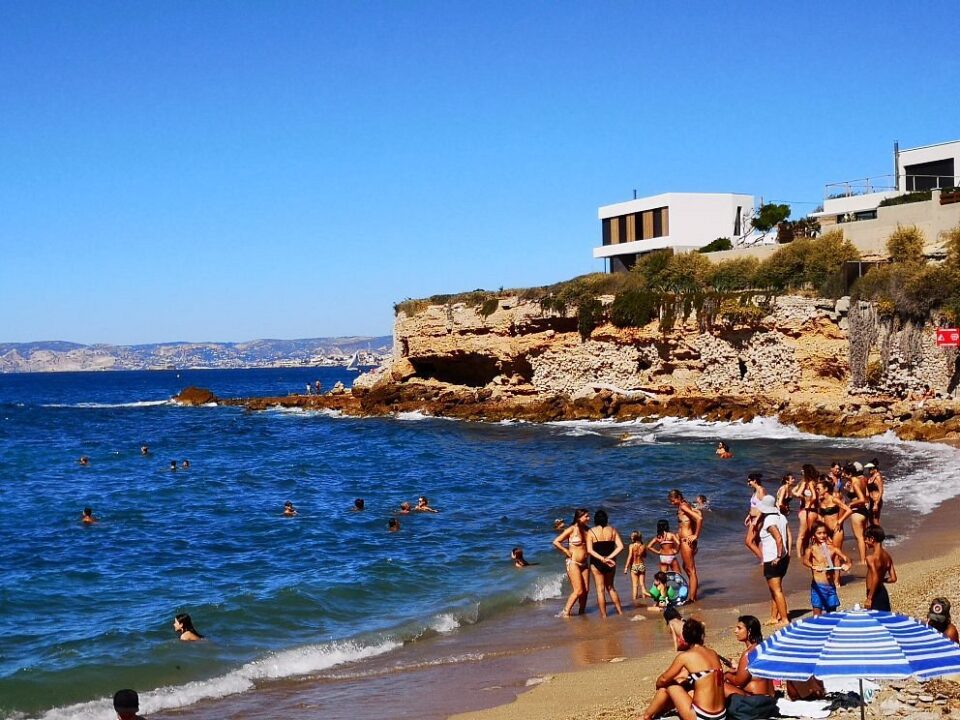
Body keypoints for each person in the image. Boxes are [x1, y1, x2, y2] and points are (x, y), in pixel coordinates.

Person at [640, 618, 727, 720]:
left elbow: (664, 679)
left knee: (669, 685)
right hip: (721, 715)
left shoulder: (686, 656)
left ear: (685, 638)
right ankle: (658, 713)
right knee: (684, 683)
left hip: (702, 716)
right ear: (702, 636)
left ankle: (646, 716)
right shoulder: (713, 653)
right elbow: (700, 676)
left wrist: (658, 685)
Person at [746, 495, 790, 627]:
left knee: (777, 590)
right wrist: (786, 553)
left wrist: (777, 555)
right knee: (774, 590)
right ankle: (774, 616)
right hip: (784, 557)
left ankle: (784, 619)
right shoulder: (781, 517)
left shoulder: (769, 521)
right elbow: (788, 535)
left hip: (773, 559)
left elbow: (778, 538)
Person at [802, 521, 851, 616]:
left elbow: (846, 558)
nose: (822, 536)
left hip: (830, 586)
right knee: (817, 615)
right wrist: (813, 566)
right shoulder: (811, 549)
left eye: (824, 533)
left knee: (832, 615)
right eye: (819, 533)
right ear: (813, 535)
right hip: (818, 586)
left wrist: (847, 564)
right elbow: (805, 561)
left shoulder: (833, 548)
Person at [552, 508, 591, 617]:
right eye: (586, 516)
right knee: (579, 590)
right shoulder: (571, 529)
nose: (589, 518)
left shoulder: (588, 530)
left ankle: (582, 613)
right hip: (573, 562)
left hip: (584, 564)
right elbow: (556, 542)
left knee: (586, 591)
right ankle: (565, 612)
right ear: (579, 517)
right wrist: (565, 550)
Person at [724, 615, 774, 697]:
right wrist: (738, 668)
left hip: (756, 701)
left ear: (749, 631)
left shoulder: (748, 654)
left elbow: (738, 682)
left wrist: (726, 675)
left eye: (739, 628)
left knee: (722, 686)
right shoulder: (763, 648)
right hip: (771, 698)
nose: (735, 631)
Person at [586, 508, 624, 617]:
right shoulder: (612, 530)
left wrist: (602, 559)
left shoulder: (591, 531)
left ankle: (604, 615)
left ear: (595, 520)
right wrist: (609, 557)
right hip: (611, 562)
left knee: (600, 590)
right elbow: (620, 547)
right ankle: (620, 612)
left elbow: (589, 550)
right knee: (611, 587)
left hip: (596, 562)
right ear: (606, 519)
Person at [670, 489, 703, 602]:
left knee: (691, 570)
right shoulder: (684, 506)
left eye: (673, 500)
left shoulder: (683, 506)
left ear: (678, 497)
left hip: (687, 541)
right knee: (686, 567)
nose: (672, 503)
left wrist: (695, 536)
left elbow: (699, 518)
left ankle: (692, 598)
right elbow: (696, 515)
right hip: (685, 540)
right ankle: (693, 593)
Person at [864, 525, 896, 611]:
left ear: (872, 539)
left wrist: (869, 598)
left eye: (866, 538)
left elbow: (875, 577)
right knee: (885, 619)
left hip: (873, 593)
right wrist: (882, 580)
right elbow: (893, 578)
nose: (865, 541)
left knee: (874, 620)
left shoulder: (871, 558)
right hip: (882, 592)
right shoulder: (887, 556)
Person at [845, 463, 872, 564]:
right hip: (864, 511)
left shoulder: (855, 483)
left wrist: (850, 503)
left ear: (849, 473)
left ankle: (863, 560)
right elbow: (866, 495)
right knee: (863, 537)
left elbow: (861, 499)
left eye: (845, 473)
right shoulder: (862, 480)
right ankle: (866, 557)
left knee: (859, 537)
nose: (843, 475)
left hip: (857, 512)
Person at [792, 464, 820, 559]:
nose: (801, 472)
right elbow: (795, 492)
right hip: (814, 510)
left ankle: (800, 556)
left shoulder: (810, 483)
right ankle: (805, 554)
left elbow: (814, 497)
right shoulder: (812, 482)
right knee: (808, 534)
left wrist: (806, 502)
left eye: (803, 471)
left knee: (802, 535)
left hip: (808, 510)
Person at [815, 477, 851, 549]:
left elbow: (849, 510)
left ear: (826, 489)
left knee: (836, 554)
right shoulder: (820, 501)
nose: (817, 490)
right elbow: (820, 515)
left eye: (818, 489)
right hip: (826, 531)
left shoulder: (834, 499)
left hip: (836, 530)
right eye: (816, 489)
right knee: (828, 554)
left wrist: (840, 521)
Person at [624, 531, 649, 604]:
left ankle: (635, 601)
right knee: (642, 584)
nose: (631, 537)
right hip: (641, 565)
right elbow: (645, 556)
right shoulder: (643, 545)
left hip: (634, 566)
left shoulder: (631, 546)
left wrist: (626, 567)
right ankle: (645, 600)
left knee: (635, 585)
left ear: (635, 537)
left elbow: (630, 557)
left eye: (632, 536)